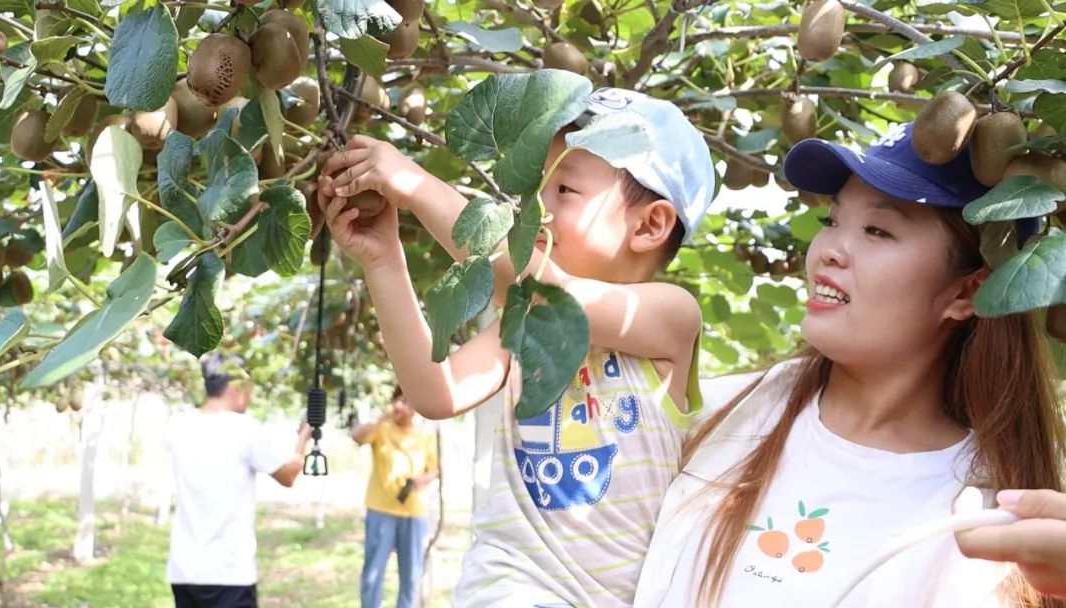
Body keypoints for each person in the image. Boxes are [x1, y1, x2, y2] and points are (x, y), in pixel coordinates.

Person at [633, 120, 1066, 607]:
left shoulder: (987, 521)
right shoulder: (720, 415)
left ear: (969, 291)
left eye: (878, 230)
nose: (828, 252)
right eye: (832, 222)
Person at [318, 87, 715, 607]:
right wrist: (385, 261)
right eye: (536, 189)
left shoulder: (670, 314)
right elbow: (435, 392)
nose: (534, 208)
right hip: (508, 587)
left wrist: (417, 185)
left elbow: (549, 292)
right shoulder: (521, 323)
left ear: (650, 225)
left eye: (564, 190)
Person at [166, 352, 311, 608]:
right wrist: (303, 439)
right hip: (228, 571)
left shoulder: (179, 426)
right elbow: (288, 475)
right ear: (236, 387)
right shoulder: (246, 429)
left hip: (183, 569)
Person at [351, 385, 440, 608]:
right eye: (401, 400)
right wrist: (384, 416)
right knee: (373, 572)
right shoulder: (382, 428)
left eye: (410, 401)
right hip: (380, 510)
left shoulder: (424, 435)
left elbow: (434, 469)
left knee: (411, 575)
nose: (405, 406)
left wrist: (422, 480)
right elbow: (357, 437)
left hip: (414, 512)